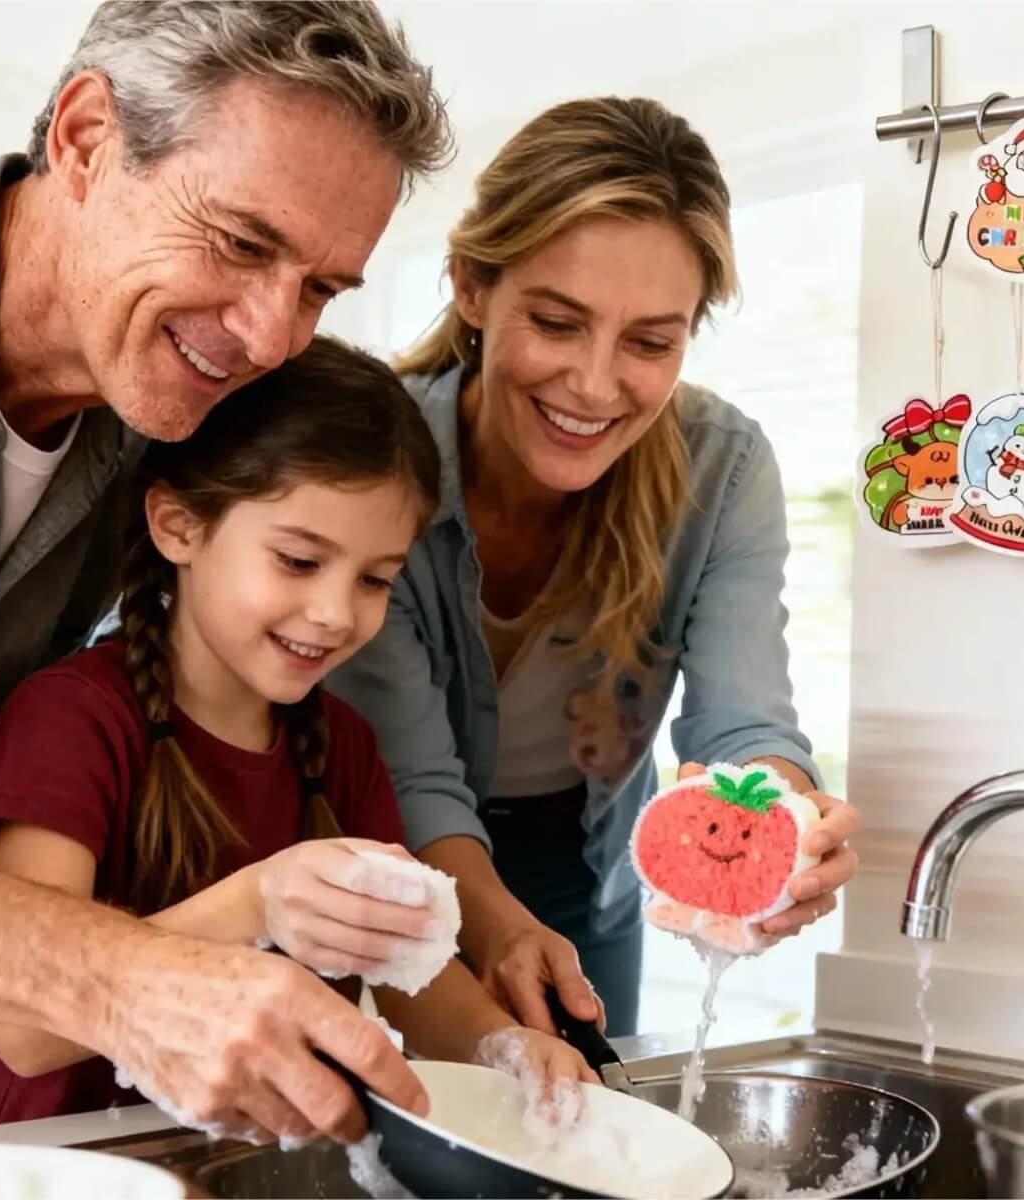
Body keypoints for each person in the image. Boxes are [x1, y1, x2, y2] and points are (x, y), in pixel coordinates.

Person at [0, 1, 450, 1158]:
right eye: (245, 242)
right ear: (87, 137)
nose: (269, 335)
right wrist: (130, 979)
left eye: (319, 288)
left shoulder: (168, 416)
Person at [0, 338, 589, 1133]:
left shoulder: (344, 748)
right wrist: (260, 904)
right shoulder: (72, 719)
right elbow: (26, 1029)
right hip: (23, 1170)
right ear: (178, 527)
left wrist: (506, 1048)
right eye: (300, 560)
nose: (337, 614)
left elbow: (417, 976)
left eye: (376, 579)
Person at [327, 97, 861, 1039]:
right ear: (471, 286)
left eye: (651, 342)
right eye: (557, 321)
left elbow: (743, 722)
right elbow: (413, 772)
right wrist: (495, 934)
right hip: (390, 853)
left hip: (586, 866)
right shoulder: (376, 457)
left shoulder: (723, 468)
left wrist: (782, 821)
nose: (595, 383)